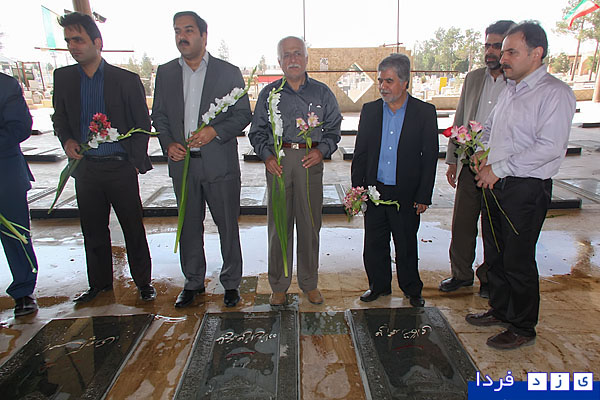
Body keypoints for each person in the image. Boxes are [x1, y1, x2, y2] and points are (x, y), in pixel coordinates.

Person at [466, 22, 576, 349]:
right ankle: (501, 310)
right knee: (496, 253)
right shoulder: (511, 89)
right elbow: (491, 130)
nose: (503, 59)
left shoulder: (555, 93)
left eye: (511, 52)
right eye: (503, 52)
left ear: (536, 53)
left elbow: (549, 147)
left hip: (525, 189)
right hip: (496, 183)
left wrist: (498, 168)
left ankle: (523, 326)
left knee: (518, 260)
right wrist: (481, 152)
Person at [52, 12, 155, 303]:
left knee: (133, 228)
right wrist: (67, 140)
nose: (73, 46)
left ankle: (143, 282)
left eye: (79, 40)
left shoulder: (125, 80)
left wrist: (133, 160)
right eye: (69, 41)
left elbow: (142, 124)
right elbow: (60, 118)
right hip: (86, 169)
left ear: (97, 42)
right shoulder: (64, 78)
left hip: (120, 168)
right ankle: (99, 284)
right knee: (93, 230)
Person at [152, 11, 251, 308]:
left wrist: (214, 131)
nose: (182, 37)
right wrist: (168, 143)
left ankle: (231, 283)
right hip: (182, 164)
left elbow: (243, 114)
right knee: (188, 225)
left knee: (227, 225)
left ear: (204, 36)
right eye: (177, 31)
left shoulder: (228, 72)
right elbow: (159, 115)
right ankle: (193, 282)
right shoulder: (166, 72)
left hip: (219, 163)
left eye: (188, 30)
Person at [249, 36, 342, 306]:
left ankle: (309, 283)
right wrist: (266, 156)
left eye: (297, 53)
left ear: (306, 58)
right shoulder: (269, 94)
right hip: (278, 163)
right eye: (287, 55)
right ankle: (279, 284)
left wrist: (321, 150)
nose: (293, 59)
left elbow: (334, 129)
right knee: (279, 226)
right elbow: (257, 132)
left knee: (310, 225)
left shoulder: (322, 93)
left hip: (309, 162)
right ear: (279, 61)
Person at [351, 54, 438, 307]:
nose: (383, 86)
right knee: (374, 243)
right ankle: (378, 286)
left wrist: (423, 195)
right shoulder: (370, 111)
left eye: (389, 81)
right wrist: (359, 190)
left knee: (406, 244)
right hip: (375, 191)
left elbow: (429, 157)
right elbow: (360, 154)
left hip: (406, 193)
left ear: (404, 82)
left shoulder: (424, 113)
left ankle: (412, 289)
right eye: (380, 81)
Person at [439, 20, 515, 298]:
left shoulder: (516, 82)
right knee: (462, 223)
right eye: (487, 46)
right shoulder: (473, 79)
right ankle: (461, 274)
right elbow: (460, 118)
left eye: (497, 46)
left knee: (495, 228)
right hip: (470, 163)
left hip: (500, 168)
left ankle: (491, 278)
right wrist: (452, 160)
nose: (490, 52)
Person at [0, 73, 39, 316]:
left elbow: (20, 127)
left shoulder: (5, 85)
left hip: (5, 174)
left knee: (15, 235)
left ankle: (23, 290)